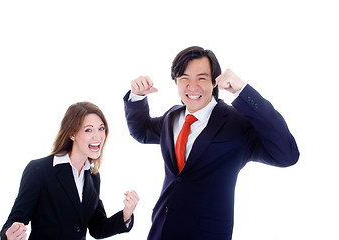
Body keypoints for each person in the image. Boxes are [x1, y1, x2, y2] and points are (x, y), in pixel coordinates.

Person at [123, 46, 299, 240]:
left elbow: (287, 154)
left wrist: (243, 91)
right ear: (176, 82)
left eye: (201, 78)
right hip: (162, 229)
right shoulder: (172, 117)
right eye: (184, 79)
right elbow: (142, 132)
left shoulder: (236, 123)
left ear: (215, 82)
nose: (192, 87)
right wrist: (137, 96)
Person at [1, 102, 139, 240]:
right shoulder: (40, 170)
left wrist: (126, 215)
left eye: (101, 128)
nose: (98, 137)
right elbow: (15, 219)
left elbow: (97, 228)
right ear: (72, 134)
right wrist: (9, 235)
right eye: (88, 130)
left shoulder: (93, 176)